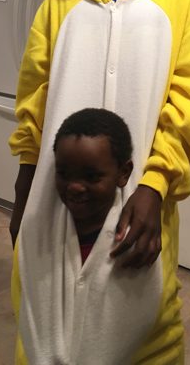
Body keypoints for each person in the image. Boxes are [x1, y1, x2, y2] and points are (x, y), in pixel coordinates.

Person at [9, 0, 190, 364]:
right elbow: (35, 94)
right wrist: (24, 189)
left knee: (141, 310)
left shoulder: (180, 1)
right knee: (45, 307)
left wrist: (154, 186)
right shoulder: (61, 1)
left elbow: (189, 105)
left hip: (138, 198)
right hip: (57, 190)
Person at [53, 108, 133, 265]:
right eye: (63, 174)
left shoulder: (134, 241)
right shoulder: (46, 231)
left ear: (123, 173)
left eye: (91, 177)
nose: (74, 187)